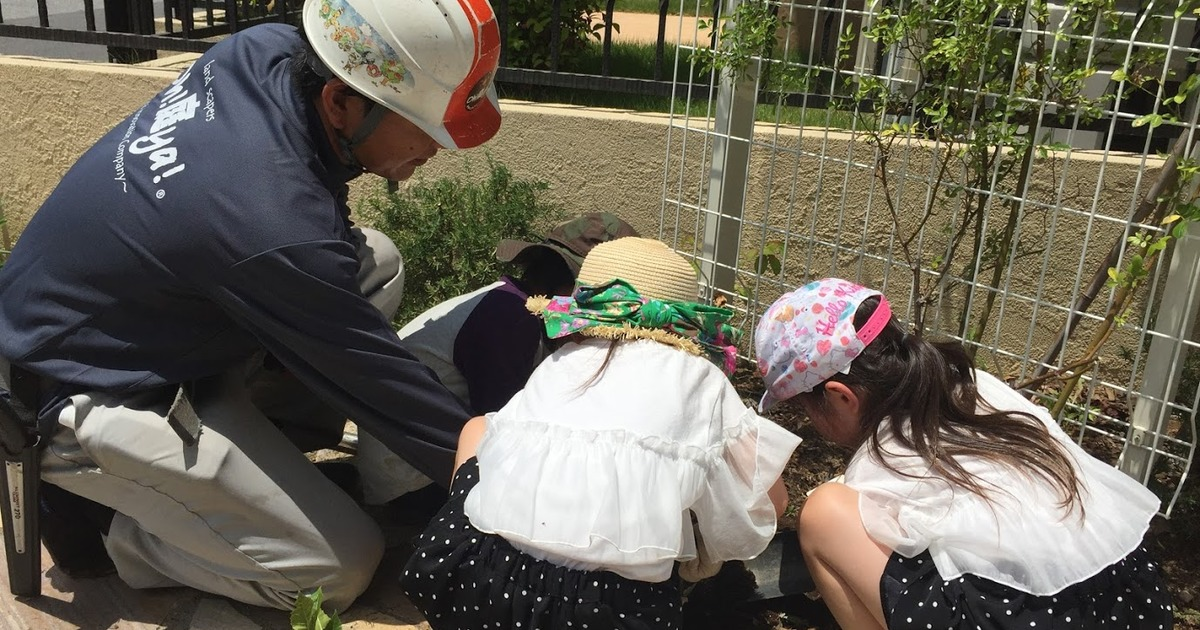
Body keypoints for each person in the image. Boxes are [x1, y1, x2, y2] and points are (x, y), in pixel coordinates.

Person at [0, 0, 501, 612]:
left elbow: (311, 254)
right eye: (425, 126)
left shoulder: (266, 51)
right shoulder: (268, 221)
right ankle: (110, 530)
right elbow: (379, 382)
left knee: (376, 262)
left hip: (140, 322)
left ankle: (263, 459)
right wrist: (495, 473)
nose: (437, 148)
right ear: (341, 102)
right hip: (71, 389)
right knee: (337, 568)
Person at [399, 237, 803, 629]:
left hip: (478, 582)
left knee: (478, 427)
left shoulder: (558, 365)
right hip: (607, 609)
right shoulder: (701, 380)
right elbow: (772, 500)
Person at [753, 278, 1173, 630]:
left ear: (841, 397)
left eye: (804, 409)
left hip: (1033, 616)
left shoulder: (883, 452)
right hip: (1131, 597)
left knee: (824, 513)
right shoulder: (975, 387)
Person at [355, 212, 639, 505]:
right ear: (571, 288)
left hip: (415, 465)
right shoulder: (509, 319)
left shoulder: (514, 305)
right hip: (409, 485)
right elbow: (504, 434)